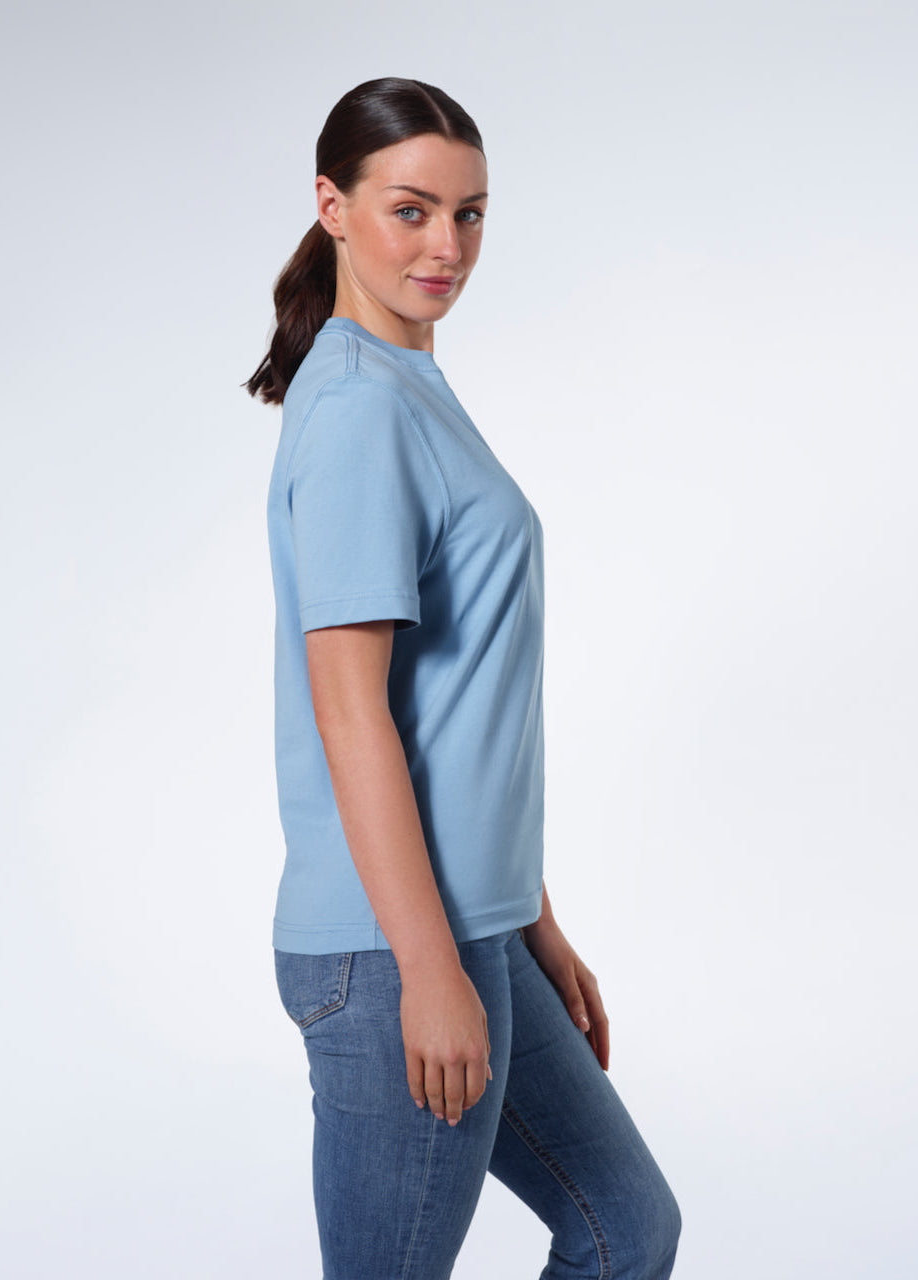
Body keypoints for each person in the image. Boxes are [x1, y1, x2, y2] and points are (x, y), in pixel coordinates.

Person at [247, 77, 681, 1280]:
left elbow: (454, 704)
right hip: (392, 947)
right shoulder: (354, 408)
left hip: (468, 919)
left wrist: (527, 914)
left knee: (624, 1227)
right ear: (332, 207)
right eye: (411, 210)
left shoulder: (406, 388)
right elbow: (354, 712)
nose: (446, 245)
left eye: (470, 213)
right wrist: (431, 970)